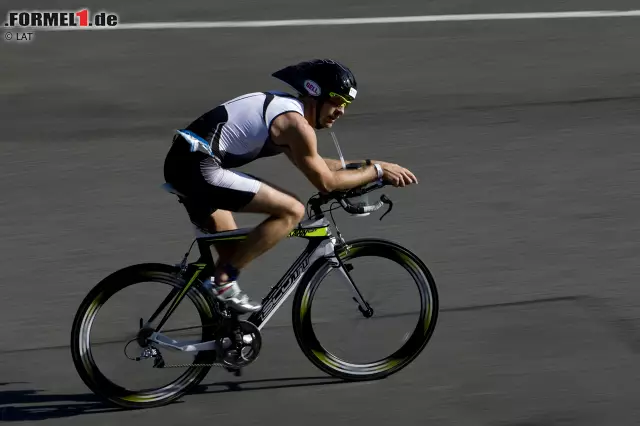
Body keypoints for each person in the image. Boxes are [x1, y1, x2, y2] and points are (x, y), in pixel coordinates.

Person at [163, 59, 418, 313]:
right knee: (292, 210)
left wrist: (371, 165)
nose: (342, 111)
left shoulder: (287, 110)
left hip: (188, 163)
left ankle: (219, 337)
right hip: (197, 167)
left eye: (346, 104)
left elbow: (320, 165)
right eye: (337, 101)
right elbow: (326, 182)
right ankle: (222, 283)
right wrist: (377, 171)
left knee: (234, 255)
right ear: (315, 95)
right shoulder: (295, 124)